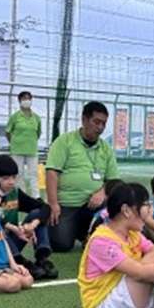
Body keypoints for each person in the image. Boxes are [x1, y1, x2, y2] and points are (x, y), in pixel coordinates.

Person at [45, 101, 120, 252]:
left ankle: (88, 233)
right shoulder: (64, 141)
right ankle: (78, 231)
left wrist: (102, 192)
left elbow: (114, 180)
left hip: (95, 205)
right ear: (84, 120)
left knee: (118, 200)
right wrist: (53, 204)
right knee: (60, 245)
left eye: (104, 124)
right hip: (67, 204)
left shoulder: (106, 148)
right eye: (96, 122)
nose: (100, 127)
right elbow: (52, 172)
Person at [0, 154, 57, 280]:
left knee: (36, 213)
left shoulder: (14, 192)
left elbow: (45, 207)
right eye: (5, 178)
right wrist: (13, 228)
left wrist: (32, 225)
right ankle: (20, 261)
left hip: (14, 238)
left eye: (14, 177)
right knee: (0, 232)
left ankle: (42, 258)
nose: (11, 182)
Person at [5, 90, 42, 198]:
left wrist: (31, 141)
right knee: (18, 174)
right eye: (24, 98)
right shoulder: (15, 116)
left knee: (33, 174)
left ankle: (36, 196)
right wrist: (13, 143)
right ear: (19, 101)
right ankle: (22, 196)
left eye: (29, 98)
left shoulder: (36, 117)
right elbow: (8, 132)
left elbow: (38, 133)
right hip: (17, 149)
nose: (27, 100)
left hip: (32, 149)